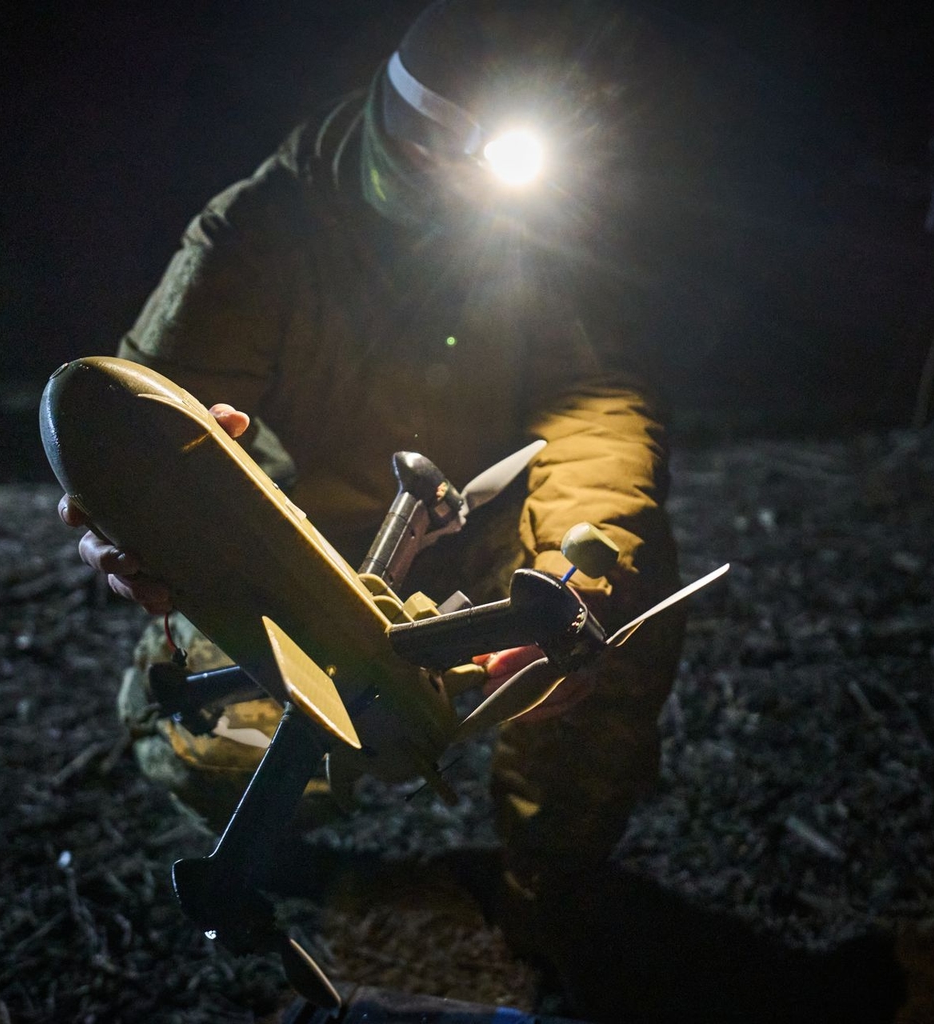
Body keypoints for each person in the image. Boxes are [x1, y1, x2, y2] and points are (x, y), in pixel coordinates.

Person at [58, 0, 687, 998]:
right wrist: (129, 520)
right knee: (207, 740)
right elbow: (139, 424)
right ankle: (292, 859)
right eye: (453, 149)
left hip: (479, 552)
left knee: (606, 621)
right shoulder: (260, 229)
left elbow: (596, 403)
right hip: (302, 571)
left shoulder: (542, 233)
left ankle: (550, 889)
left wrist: (580, 568)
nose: (479, 176)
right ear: (412, 127)